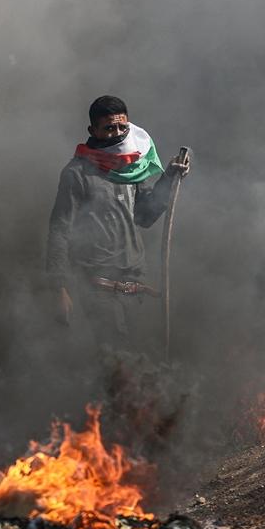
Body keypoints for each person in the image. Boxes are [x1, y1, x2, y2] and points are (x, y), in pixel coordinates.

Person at [45, 95, 189, 349]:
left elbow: (144, 216)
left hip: (134, 287)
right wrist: (59, 287)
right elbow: (60, 230)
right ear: (94, 130)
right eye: (109, 128)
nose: (118, 134)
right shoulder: (77, 173)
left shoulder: (129, 168)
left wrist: (169, 178)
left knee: (141, 366)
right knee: (119, 368)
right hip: (98, 290)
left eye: (123, 127)